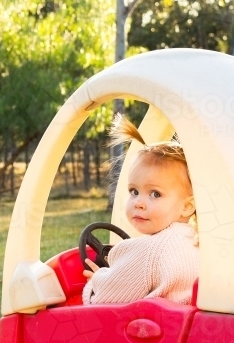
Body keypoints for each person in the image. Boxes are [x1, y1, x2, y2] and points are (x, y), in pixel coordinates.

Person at [81, 114, 199, 305]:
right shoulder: (197, 241)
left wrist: (95, 281)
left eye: (155, 194)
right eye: (134, 191)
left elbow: (104, 302)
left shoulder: (147, 252)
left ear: (186, 206)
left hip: (151, 332)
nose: (139, 203)